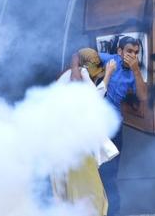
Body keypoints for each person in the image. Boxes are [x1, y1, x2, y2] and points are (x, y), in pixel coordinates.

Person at [52, 48, 119, 216]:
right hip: (74, 148)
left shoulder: (64, 77)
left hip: (62, 146)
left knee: (67, 195)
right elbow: (90, 98)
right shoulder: (78, 73)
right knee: (90, 194)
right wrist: (107, 75)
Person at [98, 36, 148, 216]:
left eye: (136, 53)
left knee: (110, 175)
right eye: (129, 52)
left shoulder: (135, 72)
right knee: (94, 173)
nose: (133, 56)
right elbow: (78, 56)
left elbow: (143, 96)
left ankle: (113, 213)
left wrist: (136, 70)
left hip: (114, 128)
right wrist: (74, 71)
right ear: (119, 52)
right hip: (94, 125)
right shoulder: (108, 60)